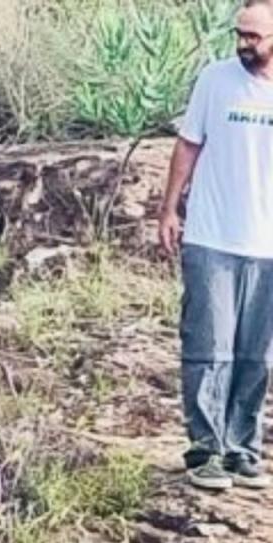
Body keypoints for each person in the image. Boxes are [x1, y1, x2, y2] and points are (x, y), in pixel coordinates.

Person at [159, 0, 273, 491]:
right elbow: (188, 144)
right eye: (240, 34)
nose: (243, 44)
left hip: (267, 245)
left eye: (255, 37)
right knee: (209, 346)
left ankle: (241, 449)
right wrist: (169, 209)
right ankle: (206, 450)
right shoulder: (215, 79)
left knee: (257, 353)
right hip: (213, 236)